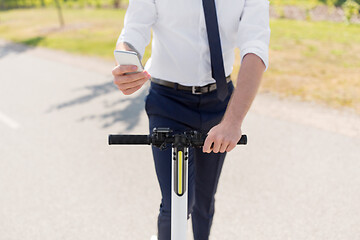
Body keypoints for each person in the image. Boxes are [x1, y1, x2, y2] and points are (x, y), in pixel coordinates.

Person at [112, 0, 270, 239]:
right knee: (177, 202)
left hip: (218, 103)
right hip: (167, 102)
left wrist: (233, 121)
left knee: (204, 202)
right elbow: (133, 30)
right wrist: (127, 64)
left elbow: (255, 47)